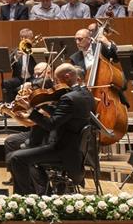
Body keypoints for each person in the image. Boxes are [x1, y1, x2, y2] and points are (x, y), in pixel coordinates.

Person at [5, 64, 94, 195]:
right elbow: (61, 114)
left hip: (62, 150)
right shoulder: (85, 94)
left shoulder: (68, 98)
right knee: (16, 155)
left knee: (15, 158)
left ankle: (27, 198)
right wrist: (36, 104)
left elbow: (51, 124)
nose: (56, 84)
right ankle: (35, 193)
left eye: (57, 80)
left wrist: (30, 110)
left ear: (67, 77)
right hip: (74, 149)